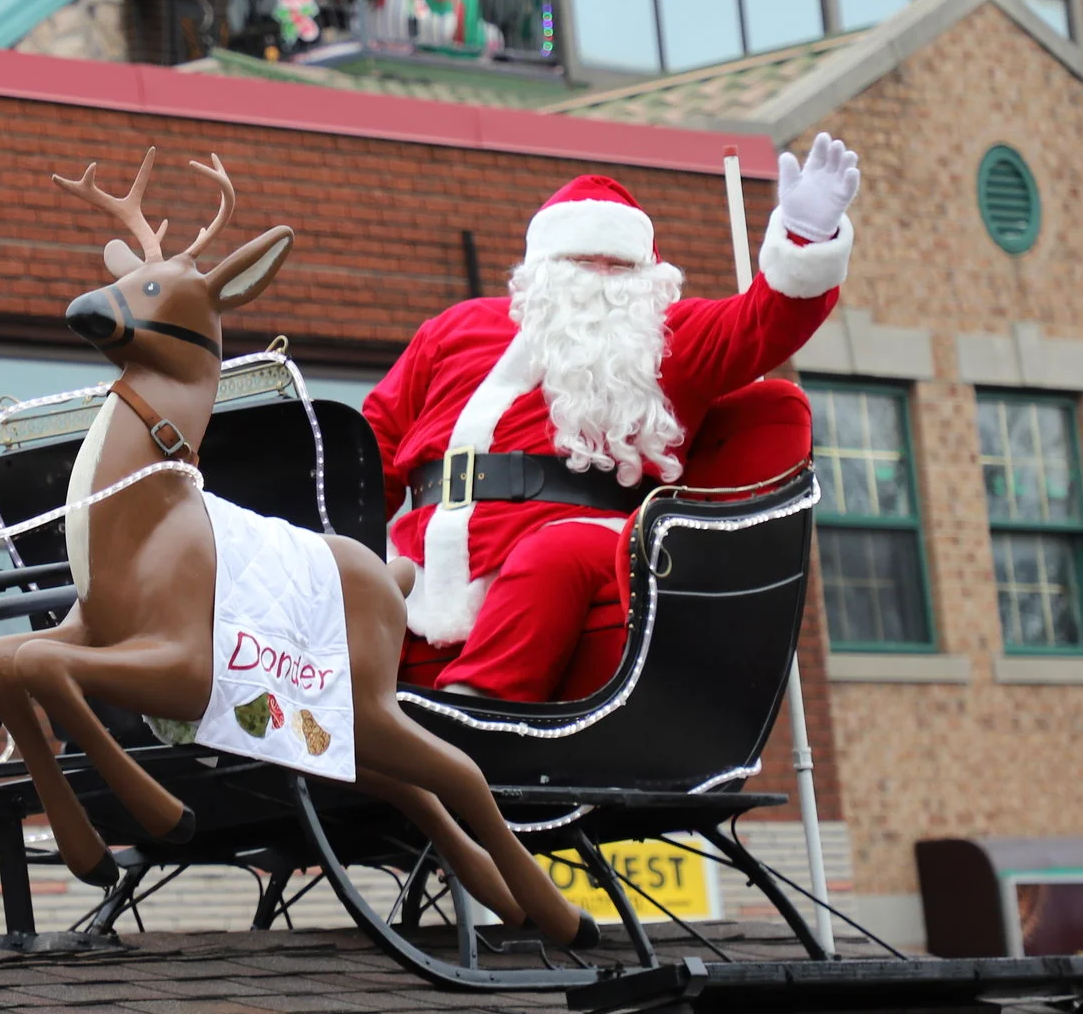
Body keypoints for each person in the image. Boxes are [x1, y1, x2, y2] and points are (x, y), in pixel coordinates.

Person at [362, 134, 861, 702]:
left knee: (553, 556)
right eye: (581, 262)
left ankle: (476, 713)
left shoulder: (666, 334)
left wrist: (806, 238)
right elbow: (374, 443)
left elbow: (762, 322)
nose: (600, 277)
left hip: (590, 539)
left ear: (648, 276)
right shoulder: (454, 329)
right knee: (354, 581)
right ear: (543, 268)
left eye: (620, 266)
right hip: (426, 551)